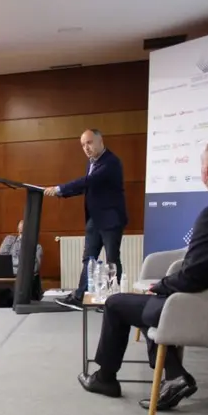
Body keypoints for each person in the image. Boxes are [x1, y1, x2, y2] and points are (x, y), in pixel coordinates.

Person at [79, 137, 208, 410]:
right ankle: (174, 375)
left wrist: (160, 286)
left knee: (118, 303)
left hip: (205, 307)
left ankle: (106, 378)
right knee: (147, 307)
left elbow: (193, 277)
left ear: (207, 173)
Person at [45, 129, 127, 311]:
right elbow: (86, 188)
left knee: (112, 260)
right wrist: (62, 194)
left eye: (89, 143)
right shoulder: (91, 163)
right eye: (83, 145)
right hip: (94, 220)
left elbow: (88, 182)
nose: (86, 148)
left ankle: (112, 300)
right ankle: (80, 296)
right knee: (88, 259)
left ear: (100, 141)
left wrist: (60, 188)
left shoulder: (111, 162)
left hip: (111, 220)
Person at [0, 220, 43, 308]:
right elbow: (1, 259)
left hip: (23, 280)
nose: (22, 234)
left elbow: (34, 267)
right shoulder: (9, 241)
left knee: (16, 294)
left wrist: (12, 262)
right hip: (6, 278)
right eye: (21, 231)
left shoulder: (37, 247)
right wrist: (21, 263)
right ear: (18, 230)